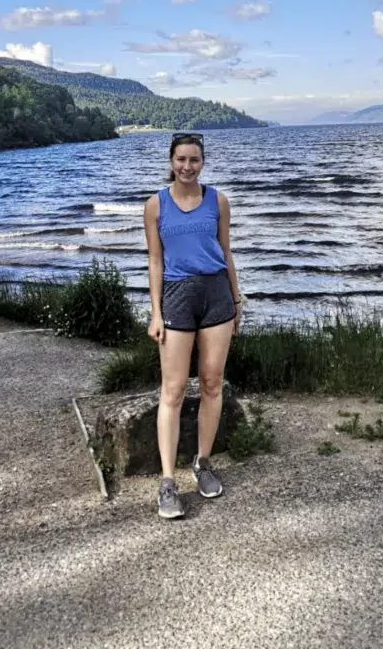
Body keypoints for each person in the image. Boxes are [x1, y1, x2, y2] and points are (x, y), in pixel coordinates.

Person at [143, 132, 243, 519]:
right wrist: (155, 311)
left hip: (217, 293)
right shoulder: (156, 205)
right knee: (173, 389)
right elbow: (155, 260)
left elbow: (226, 251)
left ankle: (202, 463)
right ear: (171, 161)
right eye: (181, 159)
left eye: (194, 160)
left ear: (203, 163)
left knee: (212, 382)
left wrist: (236, 301)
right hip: (177, 297)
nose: (187, 166)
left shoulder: (218, 200)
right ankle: (168, 483)